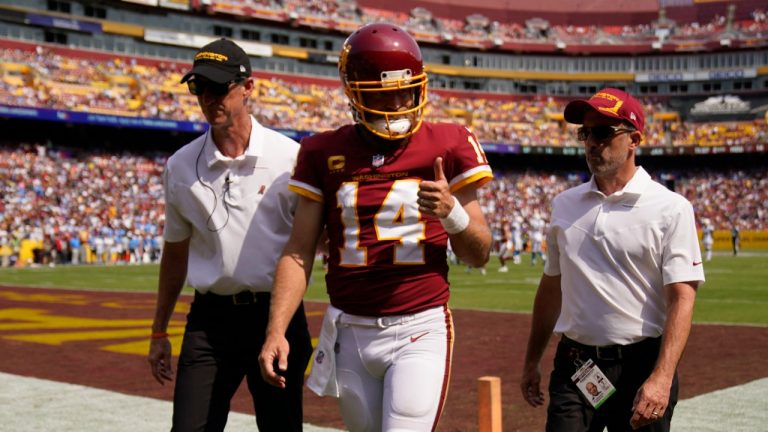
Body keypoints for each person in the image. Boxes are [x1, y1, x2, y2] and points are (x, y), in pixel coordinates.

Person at [258, 23, 493, 432]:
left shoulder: (448, 143)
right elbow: (298, 250)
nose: (399, 103)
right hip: (351, 329)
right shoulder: (322, 150)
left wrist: (451, 211)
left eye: (406, 90)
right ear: (354, 92)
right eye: (384, 93)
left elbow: (479, 252)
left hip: (420, 326)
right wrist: (276, 329)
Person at [147, 38, 312, 432]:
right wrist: (158, 330)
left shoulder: (290, 158)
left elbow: (312, 244)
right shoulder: (181, 165)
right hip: (210, 321)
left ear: (248, 88)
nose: (207, 97)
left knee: (281, 428)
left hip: (277, 317)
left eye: (218, 87)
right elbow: (174, 253)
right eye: (198, 87)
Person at [520, 88, 705, 432]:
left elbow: (683, 297)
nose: (591, 142)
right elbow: (552, 285)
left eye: (603, 132)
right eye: (585, 132)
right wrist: (531, 361)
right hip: (577, 365)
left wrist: (662, 378)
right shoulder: (564, 205)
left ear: (634, 139)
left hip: (641, 366)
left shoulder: (670, 208)